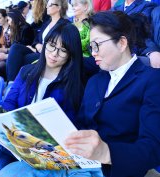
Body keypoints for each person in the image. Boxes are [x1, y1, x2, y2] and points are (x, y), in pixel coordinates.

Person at [0, 23, 103, 177]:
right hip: (17, 142)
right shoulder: (27, 71)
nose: (54, 54)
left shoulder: (75, 84)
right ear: (45, 44)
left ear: (71, 54)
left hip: (45, 149)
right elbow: (9, 104)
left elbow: (72, 125)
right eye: (52, 46)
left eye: (63, 50)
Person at [65, 11, 160, 177]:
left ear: (122, 43)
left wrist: (107, 153)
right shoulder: (95, 81)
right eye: (91, 47)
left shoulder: (152, 80)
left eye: (97, 45)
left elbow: (152, 148)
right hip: (79, 166)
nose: (93, 52)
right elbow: (82, 124)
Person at [6, 0, 69, 82]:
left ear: (58, 8)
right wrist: (37, 46)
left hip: (50, 54)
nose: (46, 7)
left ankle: (13, 83)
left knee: (22, 58)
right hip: (38, 51)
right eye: (47, 5)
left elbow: (60, 45)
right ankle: (11, 83)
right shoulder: (47, 23)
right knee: (15, 48)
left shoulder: (65, 25)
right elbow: (35, 40)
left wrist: (43, 48)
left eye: (50, 5)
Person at [0, 9, 11, 80]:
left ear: (6, 17)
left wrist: (3, 52)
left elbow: (13, 46)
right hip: (1, 53)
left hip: (9, 53)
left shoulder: (11, 29)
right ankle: (2, 82)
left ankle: (7, 81)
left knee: (1, 64)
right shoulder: (0, 29)